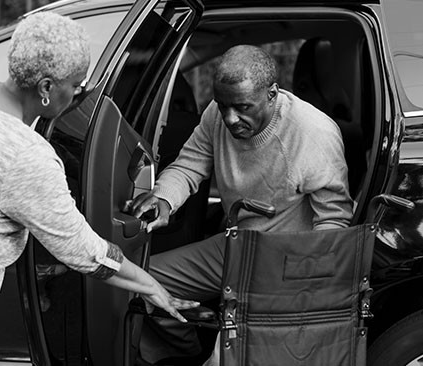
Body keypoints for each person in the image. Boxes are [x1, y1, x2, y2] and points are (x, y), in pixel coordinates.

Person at [0, 12, 197, 366]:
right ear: (46, 88)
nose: (79, 93)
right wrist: (151, 285)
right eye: (76, 85)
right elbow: (82, 250)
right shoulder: (25, 155)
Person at [128, 45, 353, 364]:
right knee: (137, 281)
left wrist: (302, 291)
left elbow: (333, 223)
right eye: (223, 106)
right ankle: (182, 353)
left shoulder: (313, 134)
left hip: (287, 262)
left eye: (243, 107)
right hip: (237, 244)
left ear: (272, 93)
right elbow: (190, 164)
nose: (231, 118)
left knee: (226, 358)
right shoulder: (217, 115)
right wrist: (164, 197)